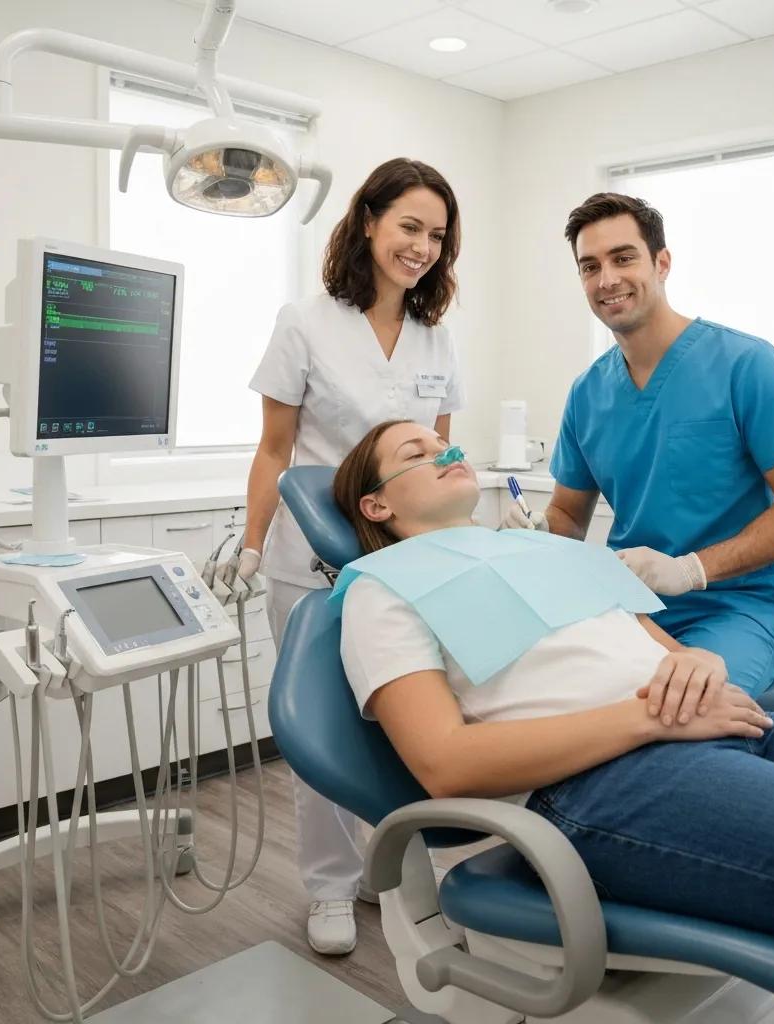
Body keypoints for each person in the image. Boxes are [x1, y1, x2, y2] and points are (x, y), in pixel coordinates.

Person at [332, 419, 774, 1023]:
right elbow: (446, 762)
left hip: (728, 725)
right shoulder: (382, 590)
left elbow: (673, 652)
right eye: (416, 453)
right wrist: (648, 719)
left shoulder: (545, 550)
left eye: (445, 442)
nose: (445, 453)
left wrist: (703, 665)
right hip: (608, 784)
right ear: (376, 507)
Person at [239, 158, 465, 955]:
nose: (422, 247)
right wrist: (252, 541)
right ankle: (330, 887)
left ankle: (385, 862)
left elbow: (436, 456)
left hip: (403, 564)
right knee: (323, 728)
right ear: (367, 221)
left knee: (401, 720)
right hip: (314, 559)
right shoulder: (305, 321)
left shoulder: (436, 334)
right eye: (409, 226)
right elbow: (274, 449)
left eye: (437, 235)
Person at [502, 193, 774, 698]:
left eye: (623, 257)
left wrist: (691, 570)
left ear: (662, 263)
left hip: (734, 609)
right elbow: (569, 517)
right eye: (589, 266)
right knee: (543, 699)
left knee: (681, 710)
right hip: (625, 608)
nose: (606, 278)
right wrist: (539, 528)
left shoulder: (745, 365)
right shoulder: (588, 393)